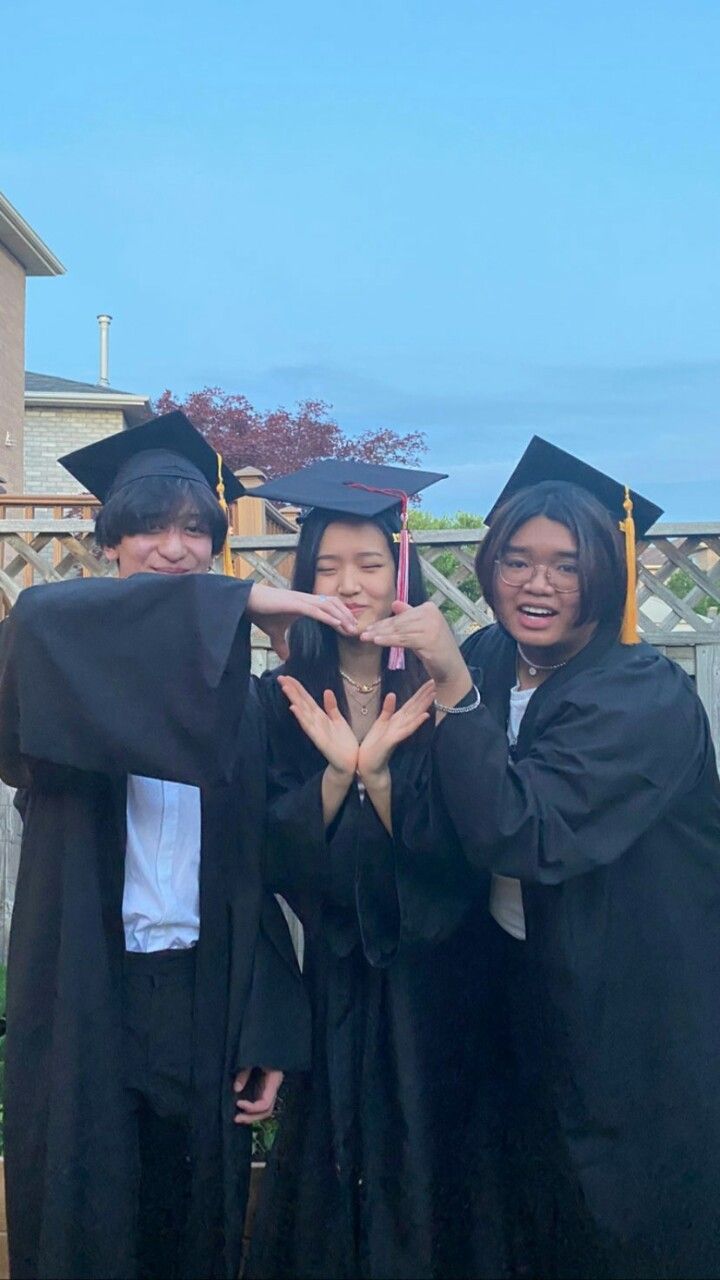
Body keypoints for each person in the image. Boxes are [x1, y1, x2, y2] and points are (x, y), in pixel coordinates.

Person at [0, 412, 360, 1280]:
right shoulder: (59, 657)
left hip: (203, 991)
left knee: (191, 1227)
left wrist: (267, 1026)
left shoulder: (246, 703)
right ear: (111, 543)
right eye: (149, 526)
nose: (173, 547)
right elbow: (46, 618)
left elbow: (265, 872)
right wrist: (243, 597)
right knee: (89, 1219)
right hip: (89, 987)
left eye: (196, 529)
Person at [360, 436, 720, 1280]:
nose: (538, 584)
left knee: (621, 1217)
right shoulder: (490, 656)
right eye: (517, 561)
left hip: (630, 1011)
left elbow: (524, 834)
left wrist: (451, 692)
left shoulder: (644, 697)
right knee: (525, 1205)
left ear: (606, 570)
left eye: (566, 564)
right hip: (524, 990)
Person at [245, 461, 506, 1280]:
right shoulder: (281, 694)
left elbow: (469, 850)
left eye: (368, 565)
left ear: (402, 573)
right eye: (326, 568)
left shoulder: (450, 689)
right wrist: (335, 775)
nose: (348, 585)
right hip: (332, 976)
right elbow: (273, 856)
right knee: (325, 1156)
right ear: (302, 580)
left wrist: (381, 779)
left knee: (433, 1153)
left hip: (438, 980)